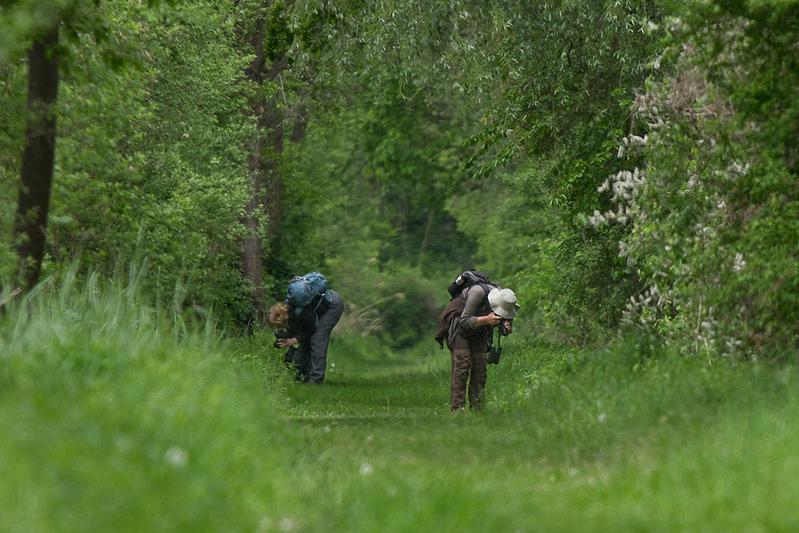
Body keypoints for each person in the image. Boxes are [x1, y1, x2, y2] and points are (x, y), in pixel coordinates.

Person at [437, 282, 519, 411]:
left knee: (480, 367)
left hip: (480, 328)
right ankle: (457, 410)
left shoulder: (507, 302)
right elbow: (464, 321)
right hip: (459, 323)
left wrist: (506, 328)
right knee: (463, 363)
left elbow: (505, 327)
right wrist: (486, 320)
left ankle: (477, 408)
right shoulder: (478, 293)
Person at [268, 283, 344, 384]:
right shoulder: (288, 309)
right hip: (318, 310)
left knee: (317, 339)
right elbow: (297, 332)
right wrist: (286, 339)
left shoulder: (300, 312)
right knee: (305, 341)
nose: (280, 328)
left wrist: (293, 340)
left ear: (283, 318)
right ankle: (305, 375)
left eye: (280, 325)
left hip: (332, 305)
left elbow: (310, 328)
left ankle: (316, 379)